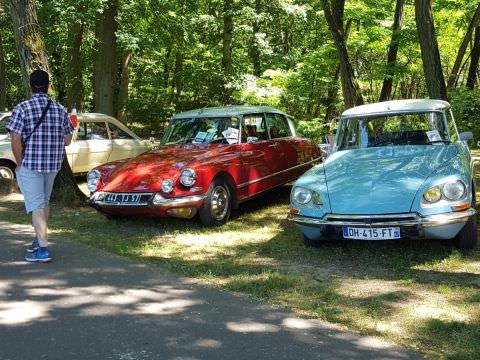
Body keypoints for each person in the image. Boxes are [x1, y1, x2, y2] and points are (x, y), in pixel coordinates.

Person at [7, 69, 74, 263]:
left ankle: (43, 250)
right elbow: (68, 140)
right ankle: (39, 239)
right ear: (48, 86)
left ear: (30, 85)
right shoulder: (60, 109)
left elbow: (16, 138)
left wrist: (19, 163)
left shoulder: (22, 108)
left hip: (30, 165)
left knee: (36, 205)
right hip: (52, 164)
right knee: (43, 202)